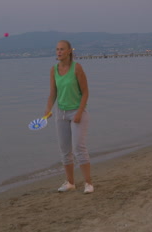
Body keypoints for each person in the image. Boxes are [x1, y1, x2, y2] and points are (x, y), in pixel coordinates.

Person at [44, 40, 94, 194]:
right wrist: (47, 110)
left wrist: (79, 112)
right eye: (57, 49)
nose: (58, 52)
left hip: (77, 112)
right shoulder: (54, 69)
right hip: (61, 113)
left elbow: (85, 92)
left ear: (69, 51)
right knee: (65, 150)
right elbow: (53, 93)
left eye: (62, 49)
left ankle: (88, 183)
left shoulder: (77, 68)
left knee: (79, 148)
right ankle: (70, 182)